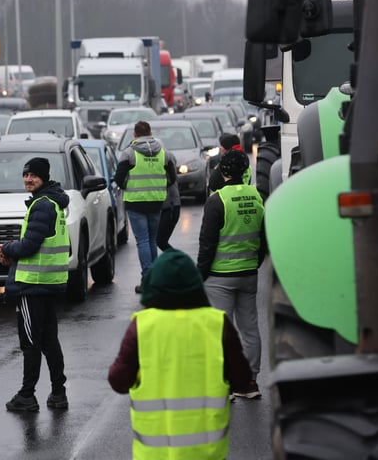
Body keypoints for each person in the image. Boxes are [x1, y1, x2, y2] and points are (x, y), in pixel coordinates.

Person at [108, 248, 253, 459]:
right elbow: (242, 380)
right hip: (206, 454)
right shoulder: (217, 324)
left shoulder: (142, 327)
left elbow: (118, 381)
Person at [0, 157, 70, 413]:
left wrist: (5, 248)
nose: (28, 179)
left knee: (30, 342)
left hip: (33, 285)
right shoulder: (54, 203)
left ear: (44, 177)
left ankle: (27, 395)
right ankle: (59, 393)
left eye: (34, 175)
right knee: (50, 341)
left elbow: (29, 246)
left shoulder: (42, 206)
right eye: (25, 175)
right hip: (50, 282)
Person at [197, 148, 266, 399]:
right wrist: (254, 264)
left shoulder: (217, 201)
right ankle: (249, 382)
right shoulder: (257, 196)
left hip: (220, 277)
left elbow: (207, 245)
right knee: (250, 329)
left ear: (222, 172)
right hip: (248, 273)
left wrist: (199, 276)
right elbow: (263, 238)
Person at [114, 120, 177, 294]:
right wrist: (159, 186)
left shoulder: (129, 153)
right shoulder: (163, 153)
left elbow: (118, 178)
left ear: (134, 135)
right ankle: (154, 278)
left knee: (142, 240)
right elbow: (172, 177)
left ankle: (147, 279)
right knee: (151, 239)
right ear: (150, 132)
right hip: (156, 201)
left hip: (135, 202)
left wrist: (129, 185)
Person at [156, 150, 180, 252]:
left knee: (161, 240)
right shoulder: (168, 157)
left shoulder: (166, 162)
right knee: (160, 240)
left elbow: (171, 180)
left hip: (170, 206)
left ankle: (179, 261)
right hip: (170, 206)